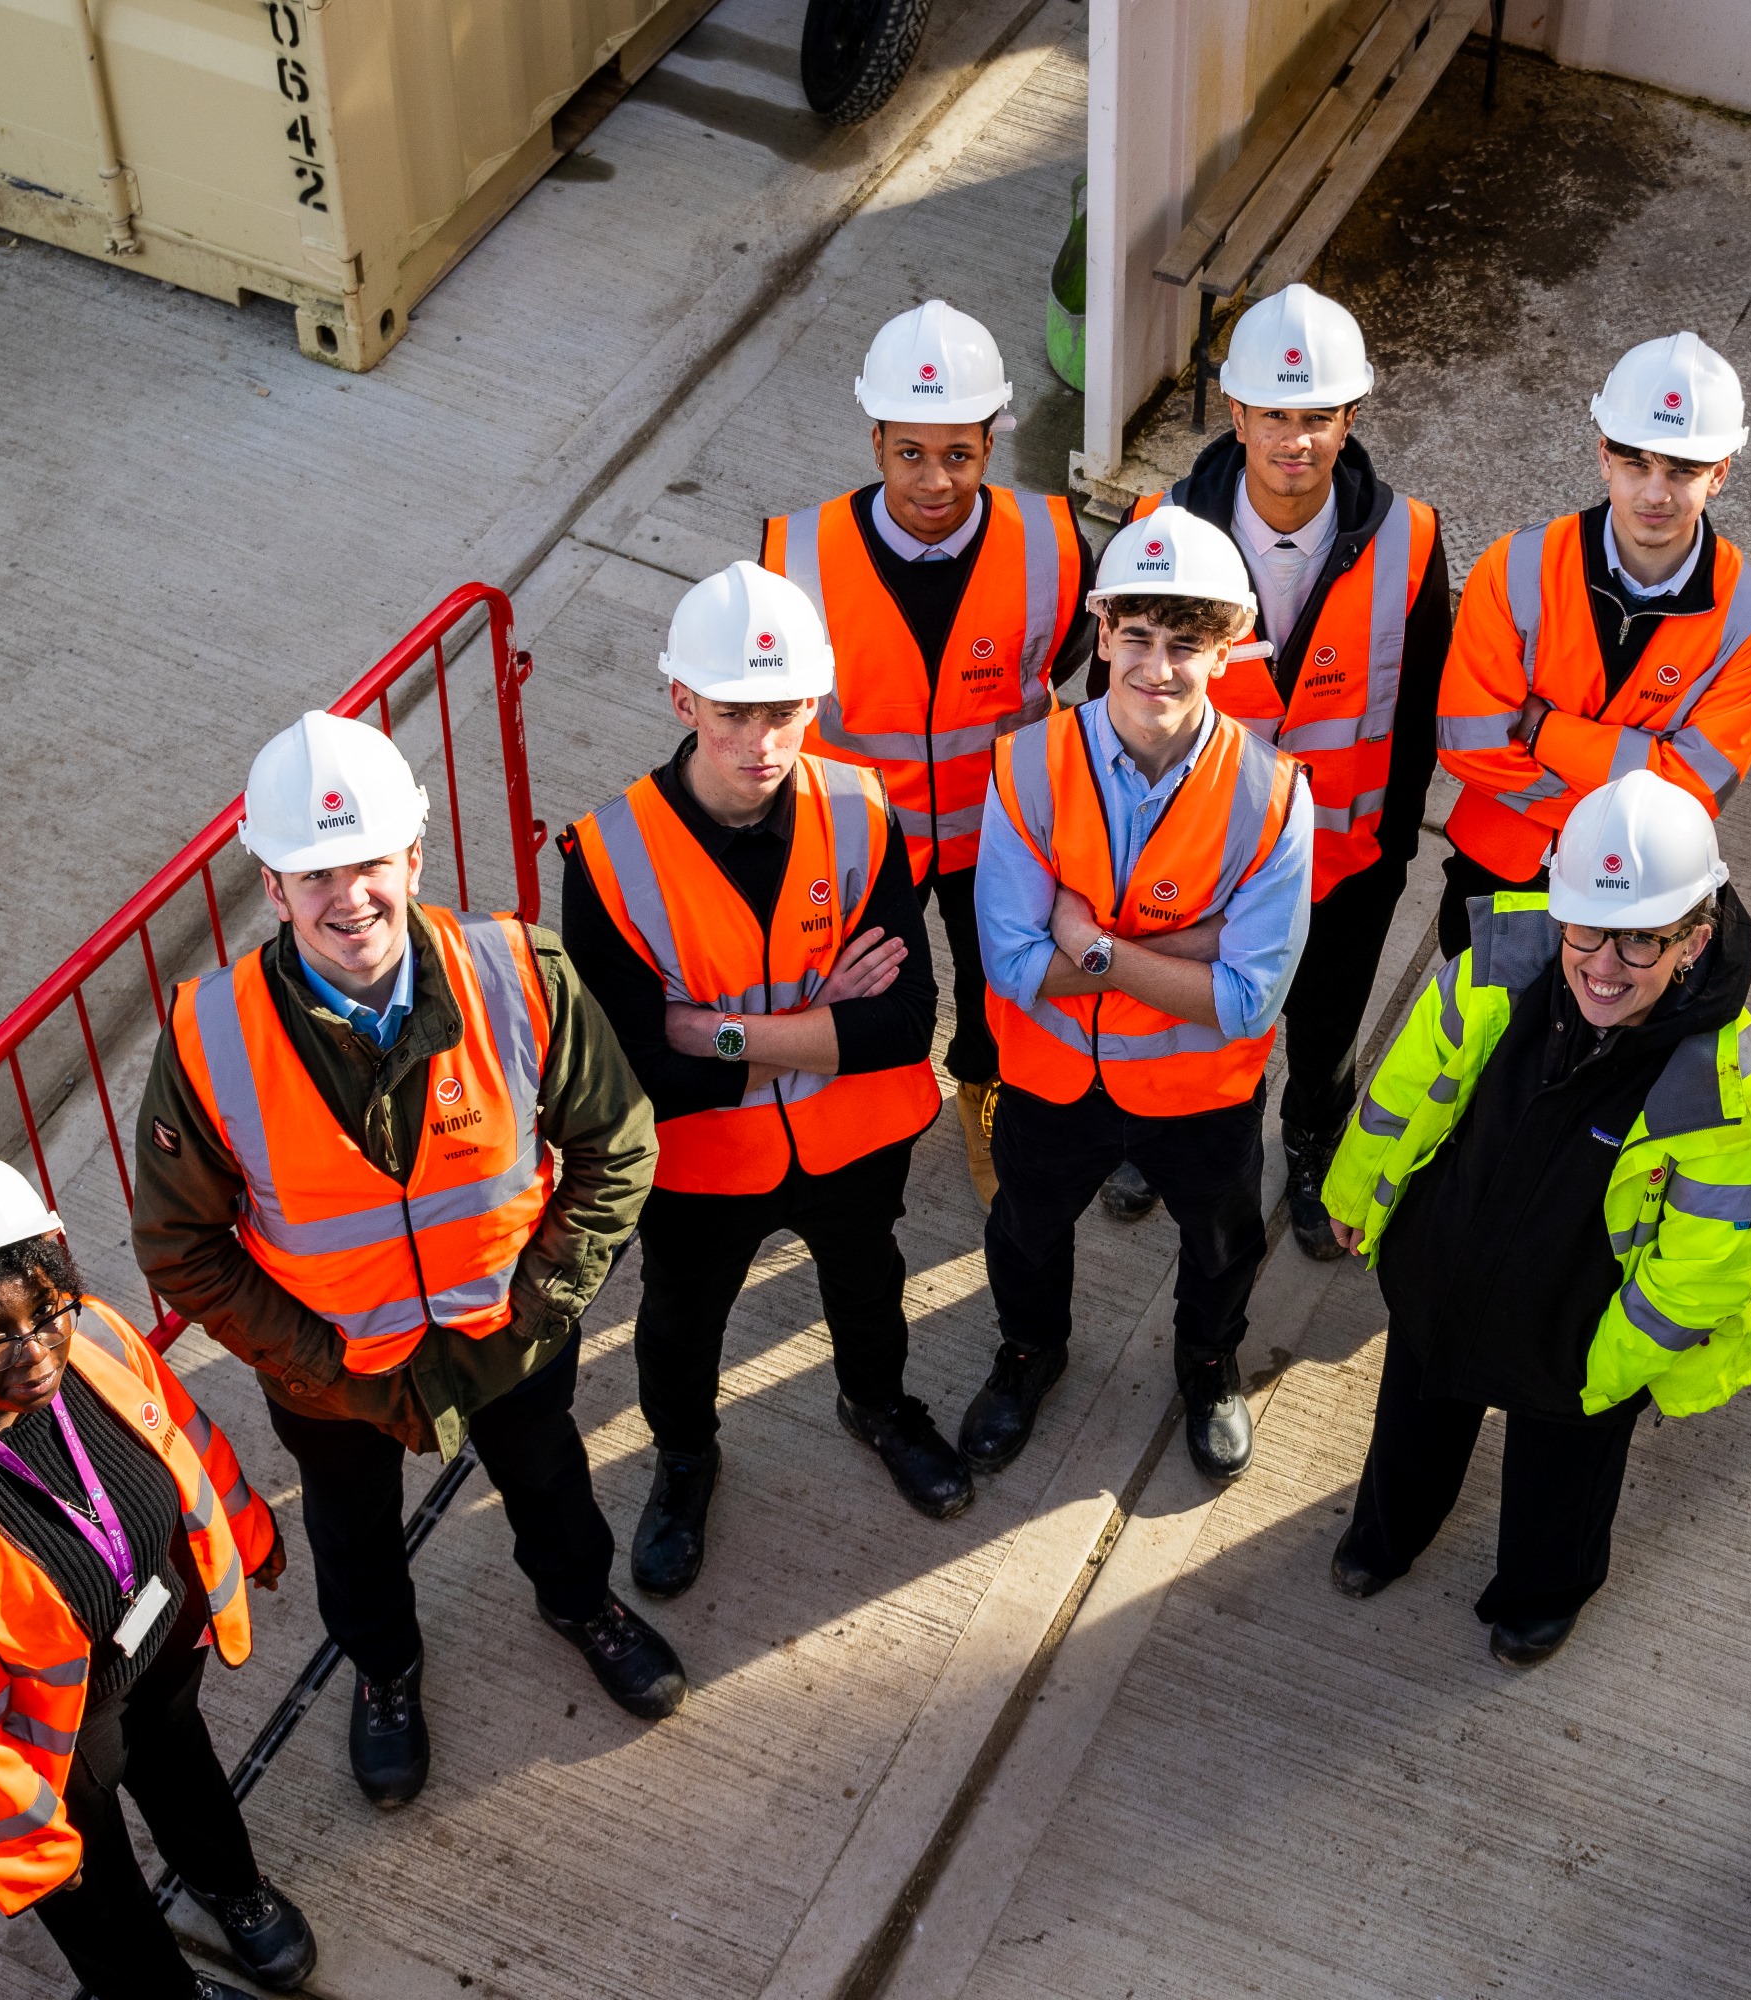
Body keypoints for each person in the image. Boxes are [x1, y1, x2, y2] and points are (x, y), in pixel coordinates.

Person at [133, 711, 675, 1812]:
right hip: (335, 1374)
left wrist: (541, 1299)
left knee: (550, 1478)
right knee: (353, 1531)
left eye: (371, 860)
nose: (350, 897)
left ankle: (580, 1598)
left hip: (509, 1333)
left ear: (415, 857)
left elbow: (617, 1143)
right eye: (315, 871)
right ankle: (383, 1668)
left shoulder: (517, 973)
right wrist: (316, 1361)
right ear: (272, 886)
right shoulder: (210, 1033)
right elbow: (179, 1243)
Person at [1319, 772, 1751, 1667]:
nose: (1603, 969)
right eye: (1586, 932)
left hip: (1580, 1333)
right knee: (1412, 1426)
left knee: (1562, 1480)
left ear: (1693, 940)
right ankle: (1387, 1534)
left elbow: (1703, 1268)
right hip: (1446, 1269)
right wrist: (1354, 1194)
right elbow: (1402, 1094)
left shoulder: (1732, 1091)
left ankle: (1541, 1596)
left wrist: (1607, 1371)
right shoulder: (1493, 973)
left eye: (1642, 945)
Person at [561, 563, 968, 1598]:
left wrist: (721, 1030)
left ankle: (877, 1404)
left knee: (869, 1286)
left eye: (785, 711)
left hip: (853, 1142)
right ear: (683, 701)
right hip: (702, 1169)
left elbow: (900, 1023)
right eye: (735, 712)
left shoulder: (861, 809)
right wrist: (809, 1021)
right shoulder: (607, 858)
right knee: (682, 1327)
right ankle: (686, 1456)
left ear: (814, 701)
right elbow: (642, 1071)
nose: (762, 743)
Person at [0, 1150, 311, 2000]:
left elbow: (179, 1438)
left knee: (181, 1759)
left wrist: (246, 1527)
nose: (37, 1352)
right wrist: (27, 1853)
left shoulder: (102, 1338)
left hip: (159, 1645)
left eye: (49, 1313)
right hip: (52, 1739)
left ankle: (232, 1888)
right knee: (99, 1894)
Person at [966, 507, 1314, 1482]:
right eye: (1137, 639)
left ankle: (1208, 1363)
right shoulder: (1029, 765)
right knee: (1026, 1233)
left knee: (1220, 1248)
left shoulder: (1275, 795)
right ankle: (1030, 1350)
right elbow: (1012, 961)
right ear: (1104, 627)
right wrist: (1190, 947)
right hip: (1049, 1085)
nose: (1158, 668)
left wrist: (1096, 943)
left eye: (1186, 644)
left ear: (1229, 643)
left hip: (1200, 1103)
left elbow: (1249, 1001)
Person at [1118, 282, 1451, 1259]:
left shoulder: (1411, 538)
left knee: (1326, 1027)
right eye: (1276, 414)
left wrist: (1390, 852)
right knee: (1185, 1010)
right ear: (1237, 413)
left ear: (1351, 417)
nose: (1295, 440)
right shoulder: (1158, 529)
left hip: (1346, 862)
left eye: (1318, 417)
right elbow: (1115, 710)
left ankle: (1310, 1139)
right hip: (1199, 860)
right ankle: (1162, 1128)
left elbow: (1418, 714)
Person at [762, 298, 1094, 1207]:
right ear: (875, 444)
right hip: (867, 838)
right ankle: (871, 1121)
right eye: (911, 453)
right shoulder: (795, 560)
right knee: (872, 986)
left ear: (992, 442)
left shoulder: (1059, 546)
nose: (935, 480)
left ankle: (981, 1085)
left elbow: (1066, 660)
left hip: (1001, 831)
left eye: (960, 453)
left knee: (998, 977)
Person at [1434, 332, 1751, 956]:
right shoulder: (1515, 566)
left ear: (1720, 474)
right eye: (1636, 462)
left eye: (1681, 469)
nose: (1656, 492)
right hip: (1498, 875)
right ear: (1604, 457)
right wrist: (1639, 768)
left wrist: (1543, 732)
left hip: (1639, 903)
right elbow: (1469, 746)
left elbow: (1696, 791)